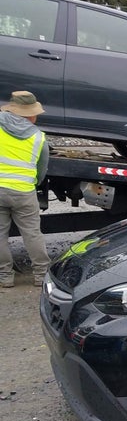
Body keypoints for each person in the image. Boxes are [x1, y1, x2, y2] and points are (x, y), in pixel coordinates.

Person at [0, 90, 51, 288]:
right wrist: (33, 183)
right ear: (29, 114)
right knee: (32, 234)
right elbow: (42, 170)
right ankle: (40, 275)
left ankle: (5, 277)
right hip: (24, 192)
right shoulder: (38, 138)